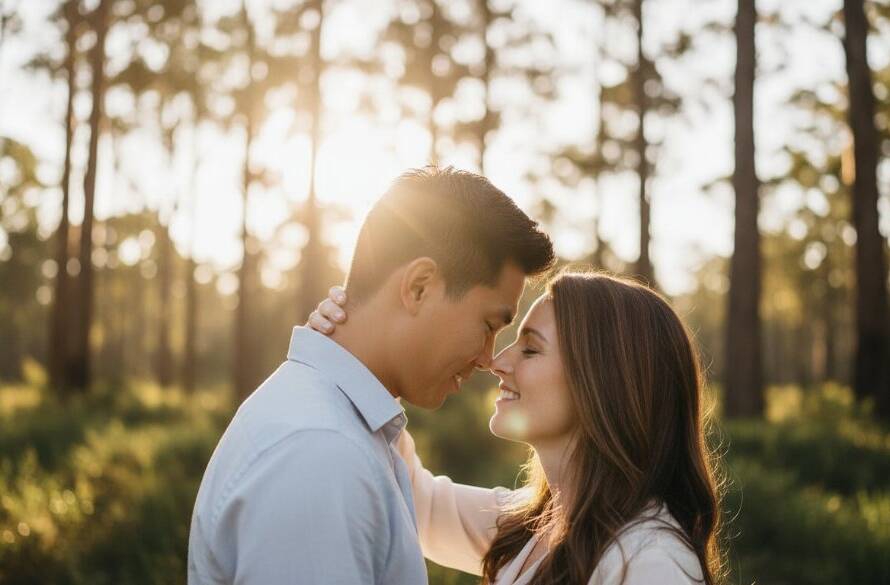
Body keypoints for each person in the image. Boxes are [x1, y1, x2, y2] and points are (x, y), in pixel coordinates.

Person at [187, 166, 556, 584]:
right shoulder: (321, 454)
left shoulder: (344, 429)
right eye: (490, 326)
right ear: (418, 287)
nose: (489, 359)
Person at [309, 270, 725, 585]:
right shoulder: (535, 526)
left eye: (530, 349)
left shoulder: (649, 562)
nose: (497, 362)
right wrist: (363, 352)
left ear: (601, 380)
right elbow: (415, 500)